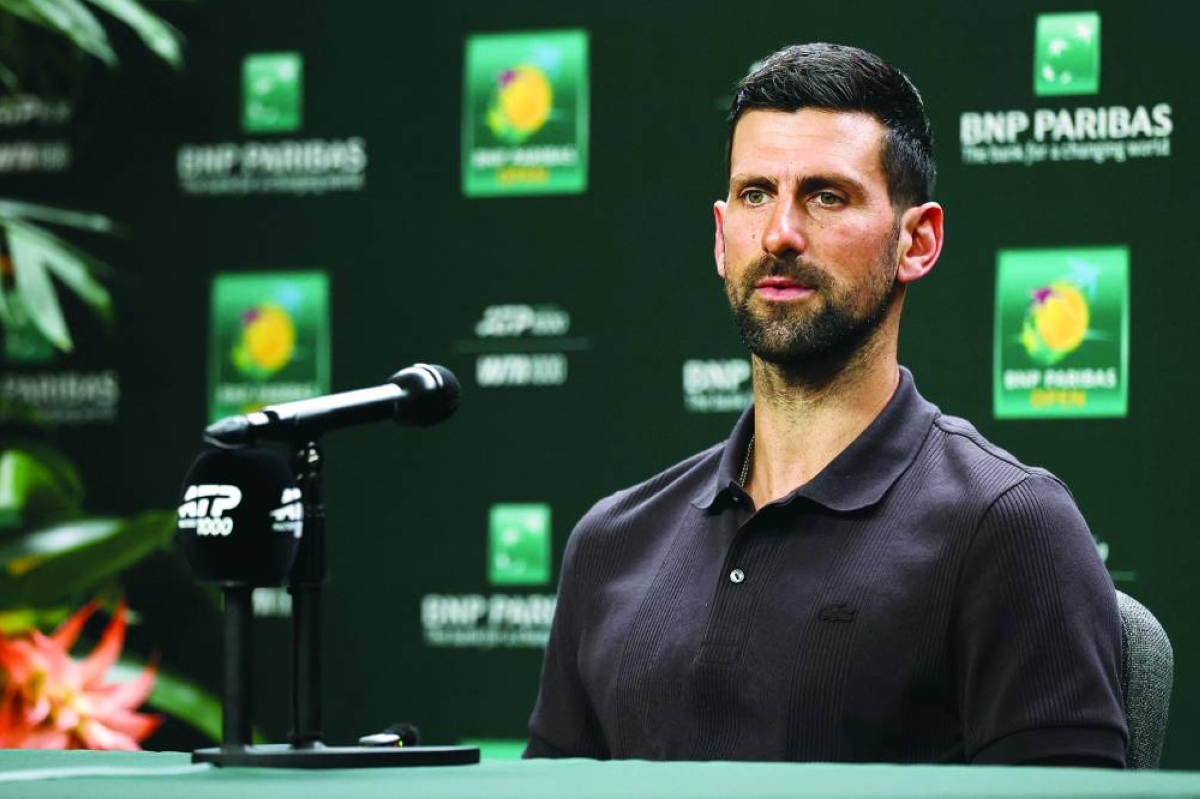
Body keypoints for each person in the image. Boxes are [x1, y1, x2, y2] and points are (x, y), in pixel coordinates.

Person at [524, 43, 1126, 766]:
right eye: (755, 194)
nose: (779, 233)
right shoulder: (612, 540)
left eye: (826, 195)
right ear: (722, 238)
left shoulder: (1010, 529)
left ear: (918, 241)